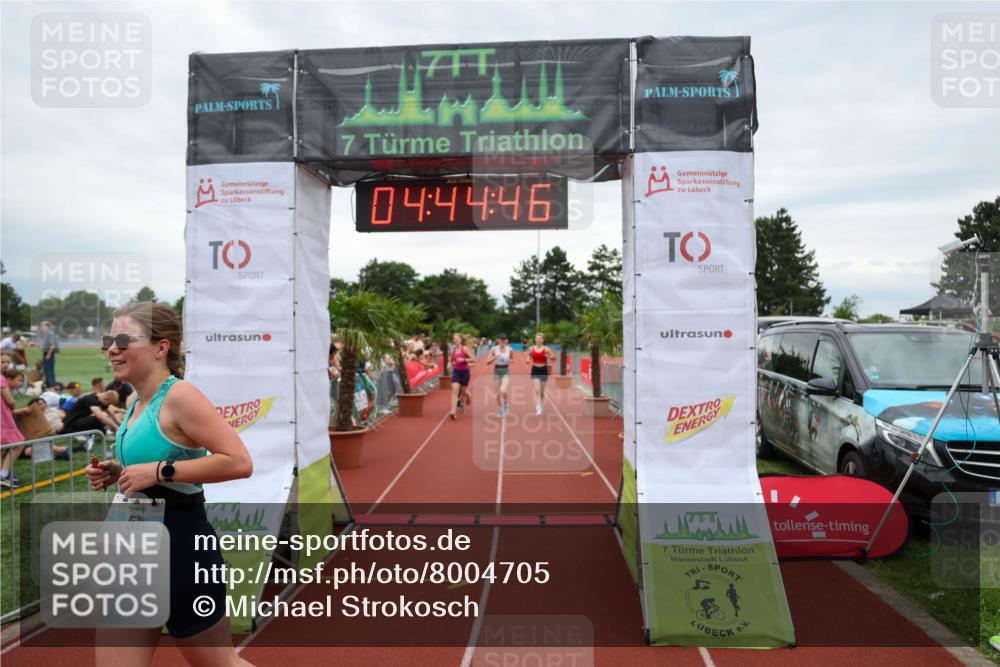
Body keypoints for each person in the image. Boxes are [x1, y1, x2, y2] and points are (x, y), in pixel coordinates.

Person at [84, 301, 255, 667]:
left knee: (219, 663)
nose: (112, 348)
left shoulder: (180, 396)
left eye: (123, 339)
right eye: (108, 339)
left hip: (181, 545)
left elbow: (239, 461)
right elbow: (157, 458)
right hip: (133, 545)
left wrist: (160, 471)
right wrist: (119, 471)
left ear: (162, 347)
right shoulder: (134, 400)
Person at [0, 369, 27, 487]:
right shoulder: (1, 379)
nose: (20, 383)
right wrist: (13, 405)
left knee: (3, 447)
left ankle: (4, 473)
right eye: (19, 380)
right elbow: (10, 401)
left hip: (4, 418)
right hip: (4, 420)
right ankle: (3, 474)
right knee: (19, 442)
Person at [525, 332, 556, 416]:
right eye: (537, 338)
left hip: (543, 370)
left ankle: (540, 404)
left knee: (542, 391)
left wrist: (548, 356)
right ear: (535, 339)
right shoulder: (531, 348)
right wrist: (527, 360)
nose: (538, 340)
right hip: (535, 369)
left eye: (540, 339)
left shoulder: (546, 349)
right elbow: (528, 356)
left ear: (542, 340)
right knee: (537, 390)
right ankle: (538, 407)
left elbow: (554, 357)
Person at [485, 334, 515, 417]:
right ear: (498, 340)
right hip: (497, 371)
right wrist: (495, 357)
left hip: (505, 370)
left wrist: (509, 360)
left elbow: (513, 360)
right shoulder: (494, 349)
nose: (502, 342)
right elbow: (487, 362)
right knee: (498, 393)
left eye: (504, 340)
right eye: (501, 340)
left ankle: (506, 403)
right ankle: (501, 409)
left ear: (506, 341)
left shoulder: (510, 349)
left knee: (503, 390)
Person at [448, 333, 474, 421]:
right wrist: (449, 364)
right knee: (455, 390)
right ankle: (453, 411)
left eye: (457, 338)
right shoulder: (452, 350)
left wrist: (464, 360)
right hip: (456, 372)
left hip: (465, 372)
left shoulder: (465, 349)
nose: (455, 340)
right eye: (454, 339)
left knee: (463, 392)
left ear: (460, 340)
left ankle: (468, 395)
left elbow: (473, 359)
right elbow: (450, 361)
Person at [37, 321, 59, 388]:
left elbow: (52, 345)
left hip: (49, 353)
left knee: (48, 369)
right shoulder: (46, 334)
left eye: (43, 326)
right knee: (46, 369)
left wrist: (49, 354)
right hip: (46, 352)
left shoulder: (50, 334)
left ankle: (52, 384)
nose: (42, 327)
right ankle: (49, 384)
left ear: (47, 326)